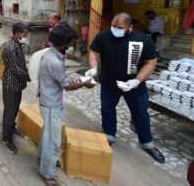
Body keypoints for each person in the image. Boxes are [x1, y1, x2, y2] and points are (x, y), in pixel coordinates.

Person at [86, 12, 165, 164]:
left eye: (119, 27)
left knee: (140, 113)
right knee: (107, 109)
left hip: (134, 85)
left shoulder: (143, 39)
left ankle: (147, 143)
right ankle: (109, 135)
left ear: (130, 27)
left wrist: (137, 81)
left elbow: (150, 62)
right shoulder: (104, 36)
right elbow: (94, 53)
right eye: (113, 26)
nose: (115, 29)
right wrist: (94, 68)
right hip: (109, 82)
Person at [38, 23, 95, 186]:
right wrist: (84, 84)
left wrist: (71, 78)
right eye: (71, 43)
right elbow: (67, 87)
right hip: (51, 104)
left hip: (47, 100)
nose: (72, 46)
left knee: (47, 134)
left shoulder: (51, 54)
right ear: (63, 43)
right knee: (53, 140)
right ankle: (47, 174)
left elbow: (59, 78)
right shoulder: (54, 60)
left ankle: (43, 158)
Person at [2, 23, 29, 154]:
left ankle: (11, 128)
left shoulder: (17, 43)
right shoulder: (10, 47)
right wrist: (29, 75)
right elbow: (15, 68)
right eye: (24, 33)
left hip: (17, 84)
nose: (26, 36)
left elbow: (22, 62)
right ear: (17, 33)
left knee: (14, 109)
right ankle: (6, 138)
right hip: (10, 84)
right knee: (9, 111)